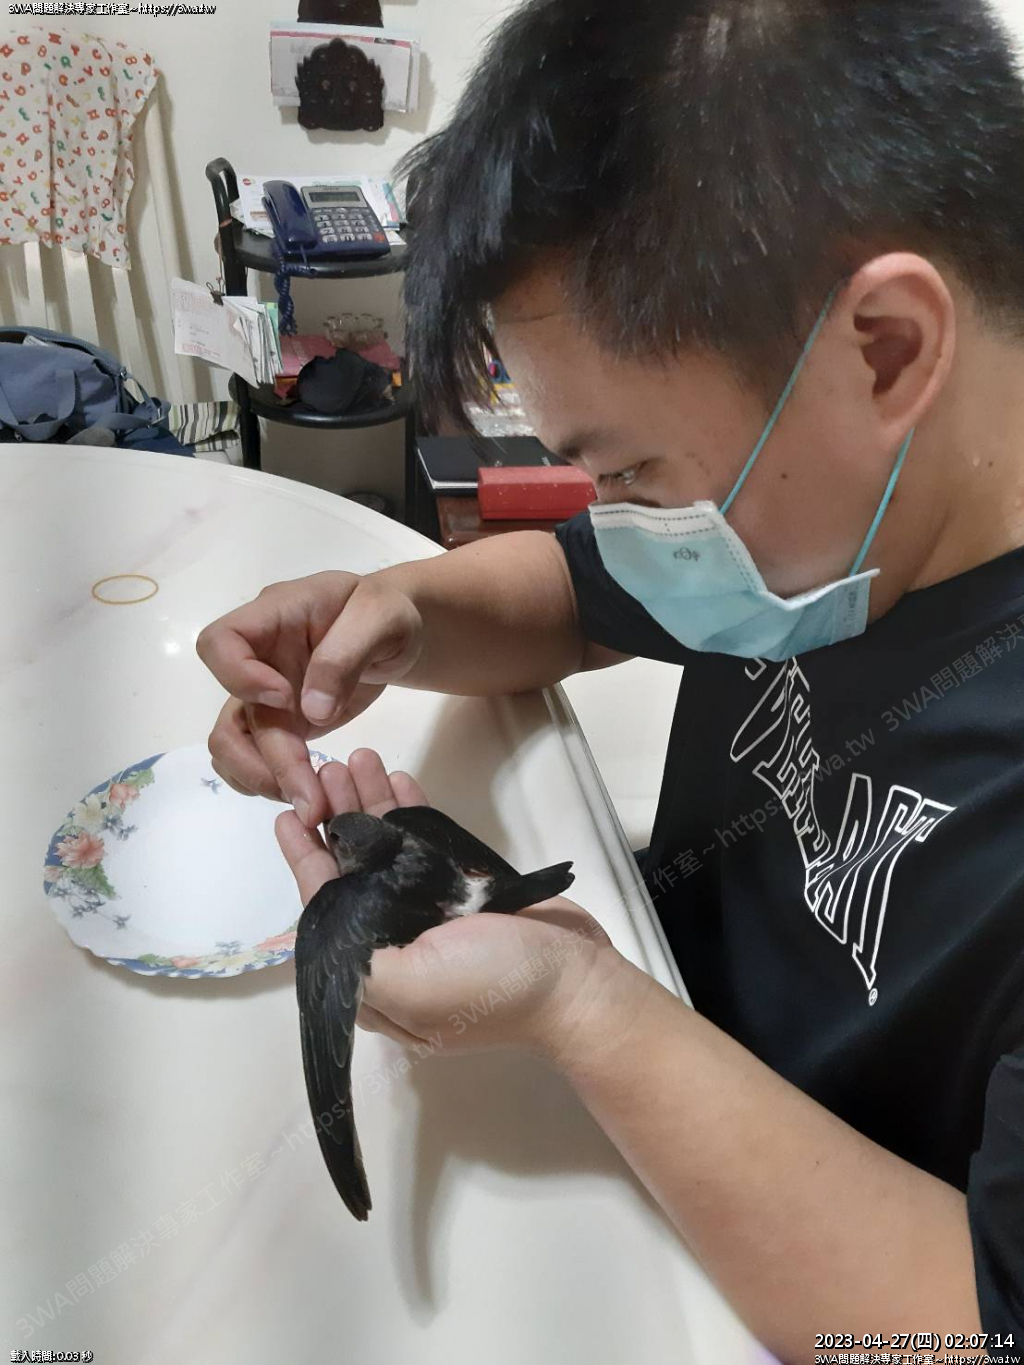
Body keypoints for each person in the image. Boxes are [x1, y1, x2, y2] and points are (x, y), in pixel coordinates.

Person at [196, 0, 1024, 1351]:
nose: (621, 520)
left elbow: (978, 1323)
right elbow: (583, 588)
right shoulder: (844, 515)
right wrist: (397, 609)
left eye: (634, 471)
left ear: (886, 348)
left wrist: (584, 1008)